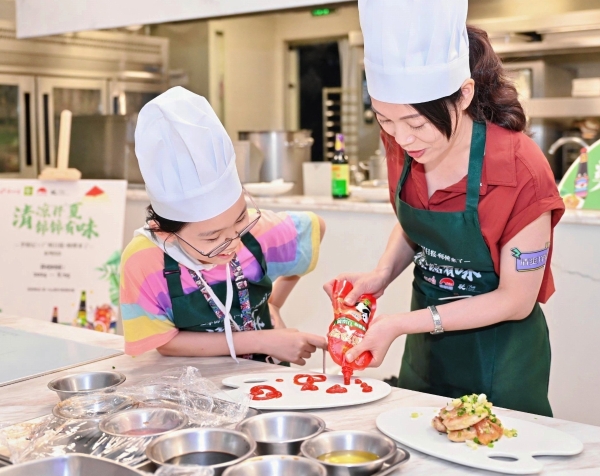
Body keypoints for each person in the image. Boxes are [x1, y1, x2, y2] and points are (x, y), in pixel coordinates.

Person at [324, 0, 565, 416]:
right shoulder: (404, 143)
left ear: (464, 94)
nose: (402, 139)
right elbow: (415, 221)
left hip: (500, 358)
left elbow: (515, 300)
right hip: (426, 352)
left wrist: (399, 324)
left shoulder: (520, 168)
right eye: (385, 120)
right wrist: (381, 274)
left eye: (417, 123)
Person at [121, 86, 326, 365]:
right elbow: (165, 343)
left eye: (239, 220)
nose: (233, 243)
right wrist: (262, 339)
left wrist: (274, 304)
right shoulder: (144, 261)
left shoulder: (255, 231)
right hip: (191, 386)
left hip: (264, 378)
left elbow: (316, 228)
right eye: (212, 238)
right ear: (165, 233)